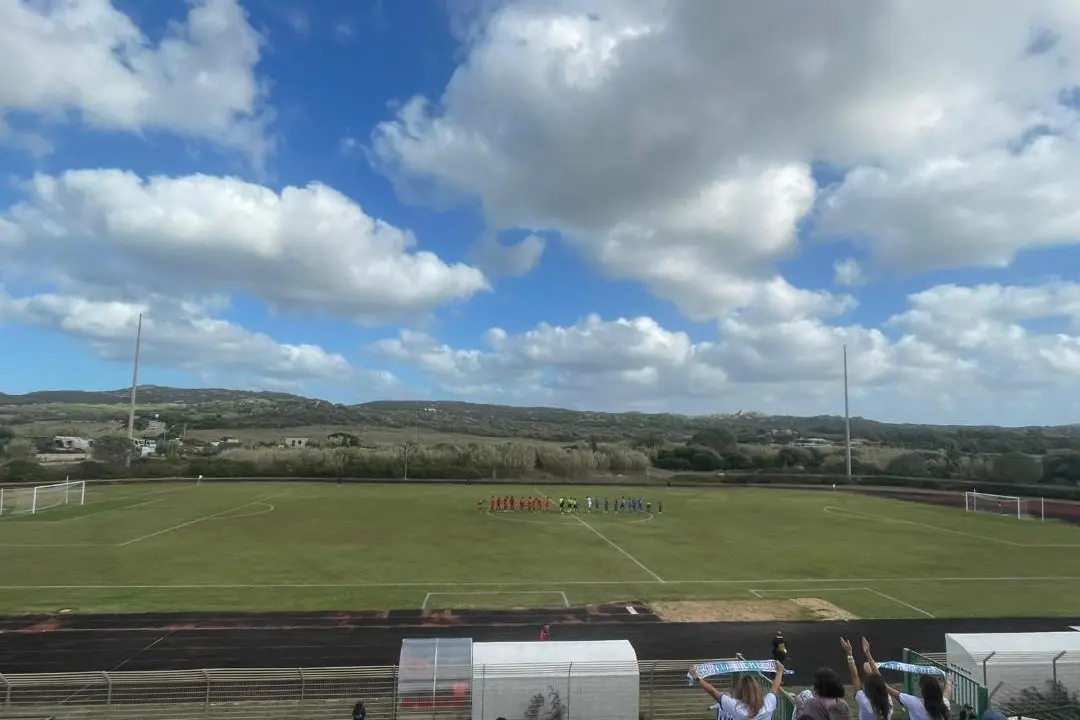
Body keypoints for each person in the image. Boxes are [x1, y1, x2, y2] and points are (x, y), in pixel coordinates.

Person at [862, 637, 952, 720]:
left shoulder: (914, 702)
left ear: (924, 690)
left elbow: (884, 685)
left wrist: (868, 654)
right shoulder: (943, 704)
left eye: (919, 686)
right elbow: (947, 693)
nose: (917, 687)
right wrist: (948, 682)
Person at [689, 660, 785, 720]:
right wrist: (780, 671)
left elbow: (713, 691)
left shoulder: (736, 707)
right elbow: (774, 688)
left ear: (740, 691)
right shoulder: (769, 704)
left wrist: (697, 678)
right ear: (758, 689)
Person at [840, 638, 892, 720]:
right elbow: (879, 679)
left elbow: (855, 676)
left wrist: (849, 653)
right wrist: (867, 653)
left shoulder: (865, 702)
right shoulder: (888, 700)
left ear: (869, 690)